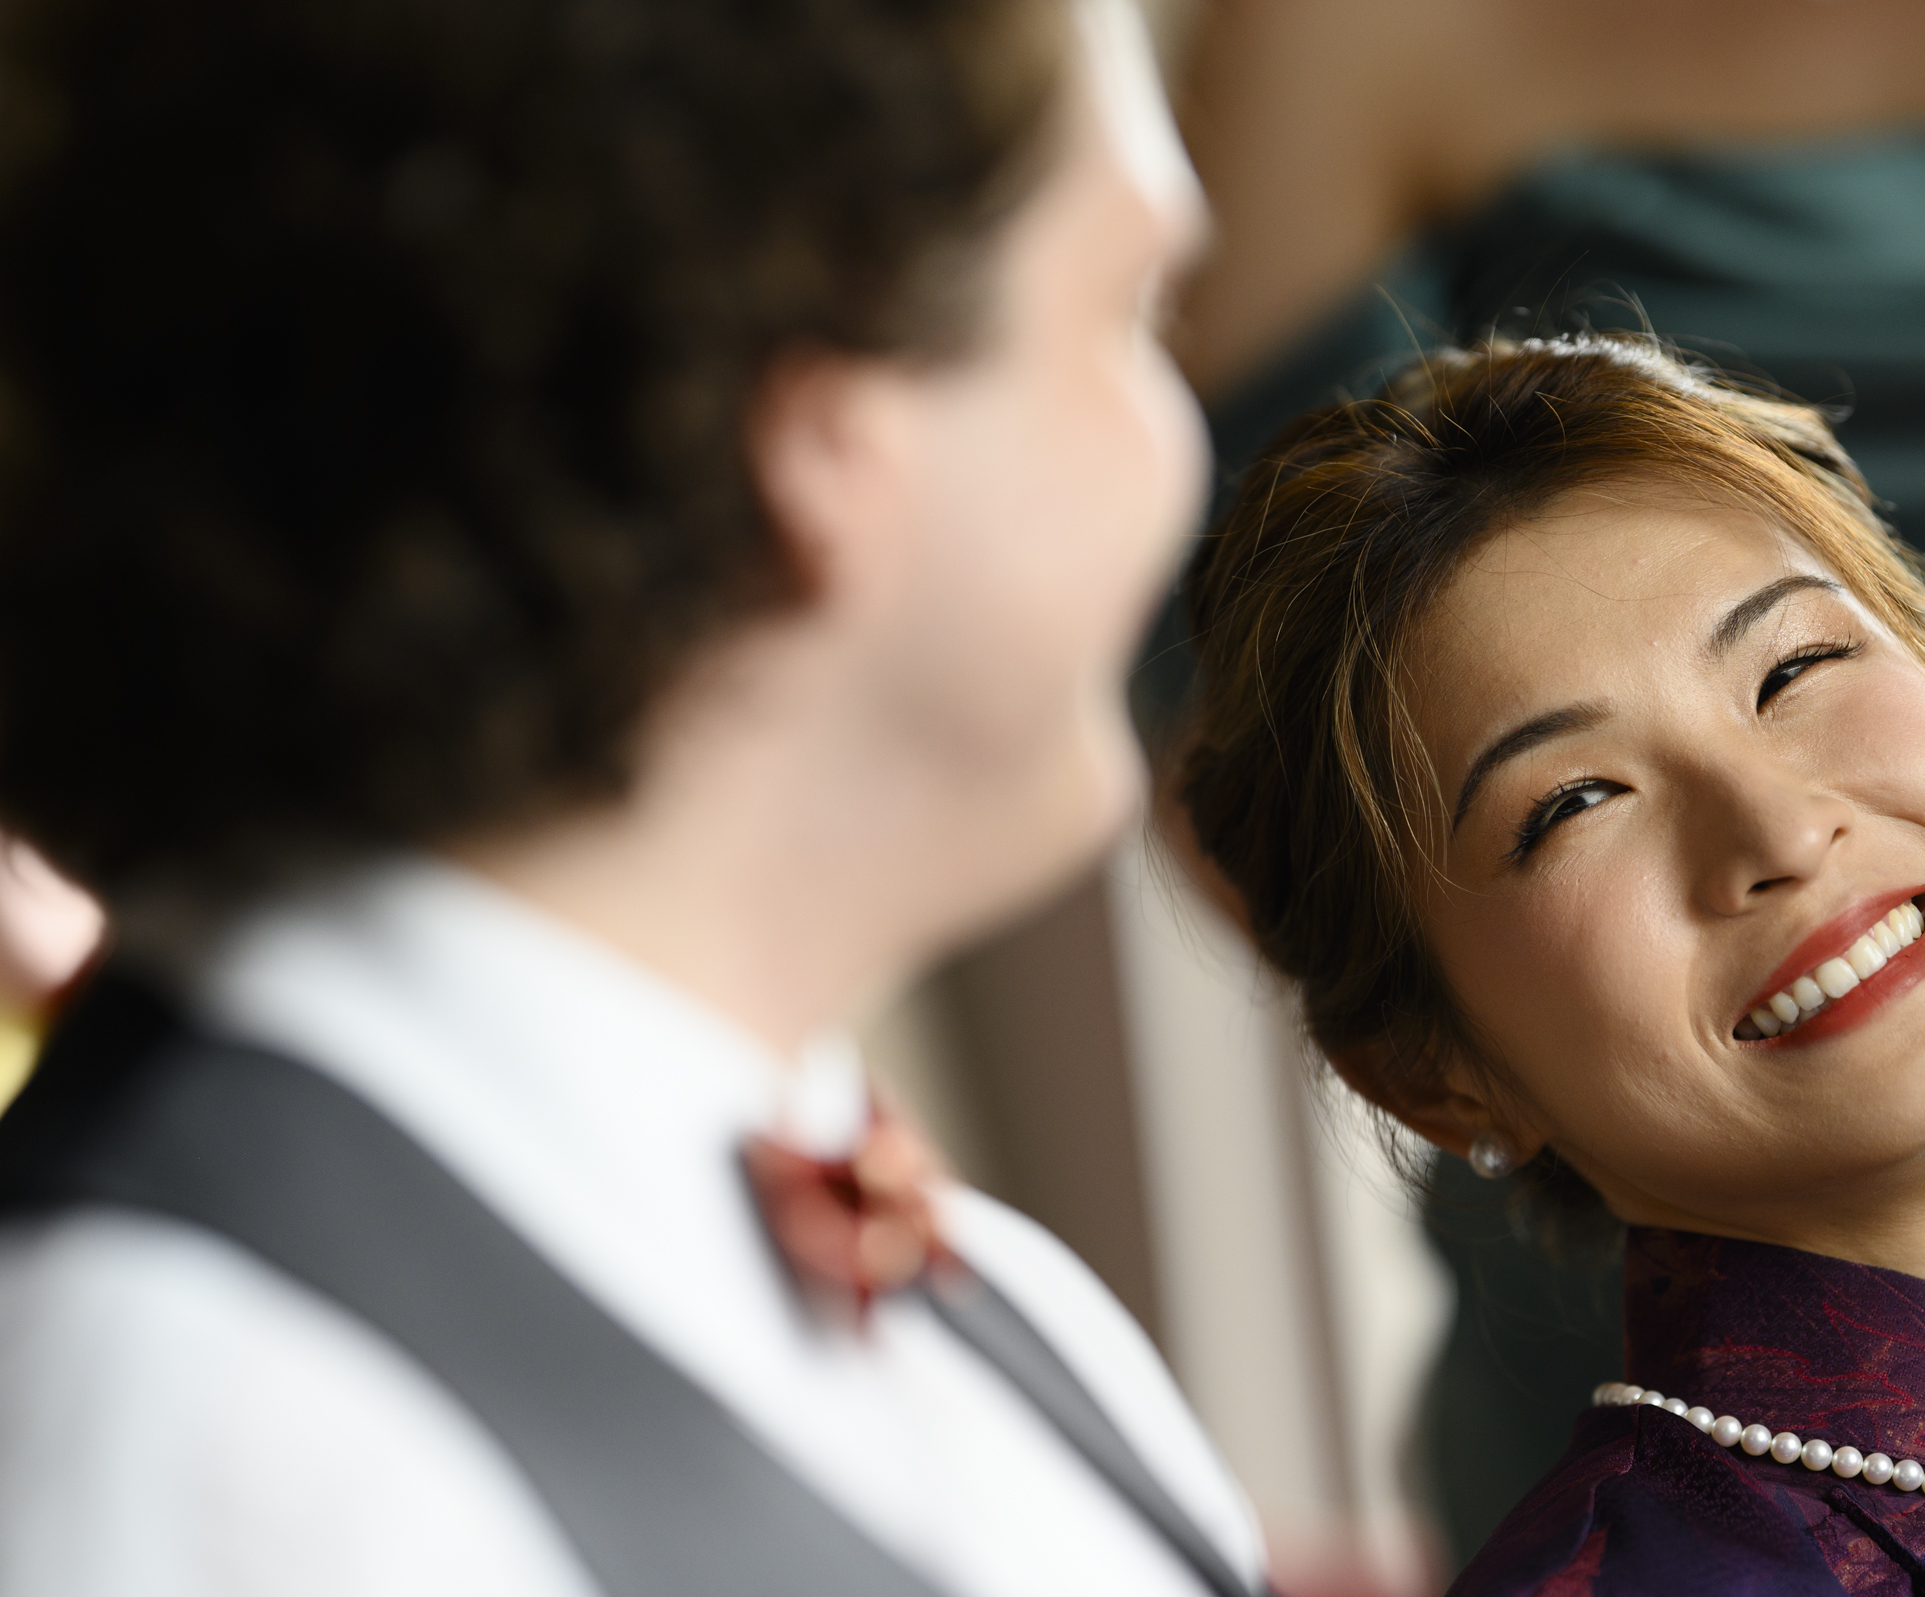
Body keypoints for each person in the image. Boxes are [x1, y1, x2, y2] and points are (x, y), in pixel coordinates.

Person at [0, 0, 1265, 1593]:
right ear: (823, 445)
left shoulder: (991, 1298)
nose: (1181, 451)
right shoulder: (212, 1436)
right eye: (1127, 312)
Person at [1158, 0, 1925, 1553]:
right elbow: (1237, 733)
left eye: (1798, 669)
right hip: (1694, 1080)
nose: (1776, 826)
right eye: (1572, 800)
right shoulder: (1343, 40)